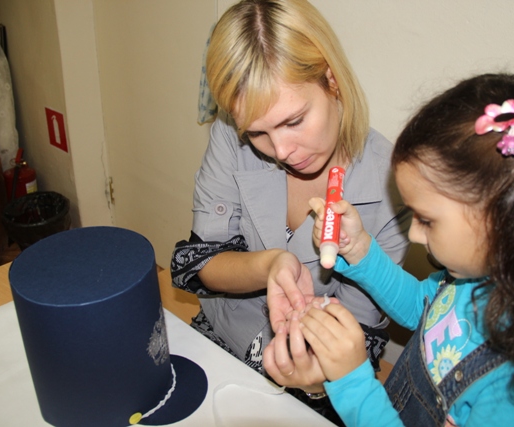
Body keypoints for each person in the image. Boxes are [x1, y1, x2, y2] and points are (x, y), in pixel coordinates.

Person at [268, 73, 514, 426]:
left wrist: (354, 383)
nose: (415, 235)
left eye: (427, 220)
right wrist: (358, 250)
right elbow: (425, 310)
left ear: (503, 221)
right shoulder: (482, 269)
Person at [170, 0, 410, 419]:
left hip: (319, 380)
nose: (280, 151)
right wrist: (269, 265)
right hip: (221, 338)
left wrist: (313, 382)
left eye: (294, 121)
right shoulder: (231, 132)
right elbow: (201, 263)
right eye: (257, 133)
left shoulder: (393, 189)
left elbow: (354, 341)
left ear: (332, 80)